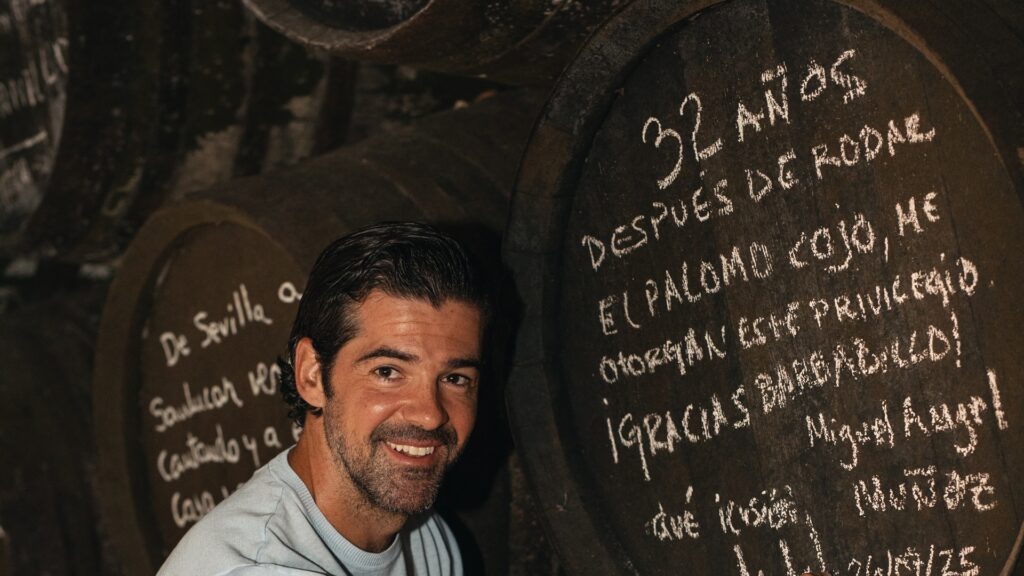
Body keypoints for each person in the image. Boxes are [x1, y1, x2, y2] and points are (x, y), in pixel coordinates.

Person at [159, 222, 490, 575]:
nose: (429, 414)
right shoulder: (256, 567)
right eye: (387, 372)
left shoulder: (428, 540)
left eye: (455, 379)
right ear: (312, 375)